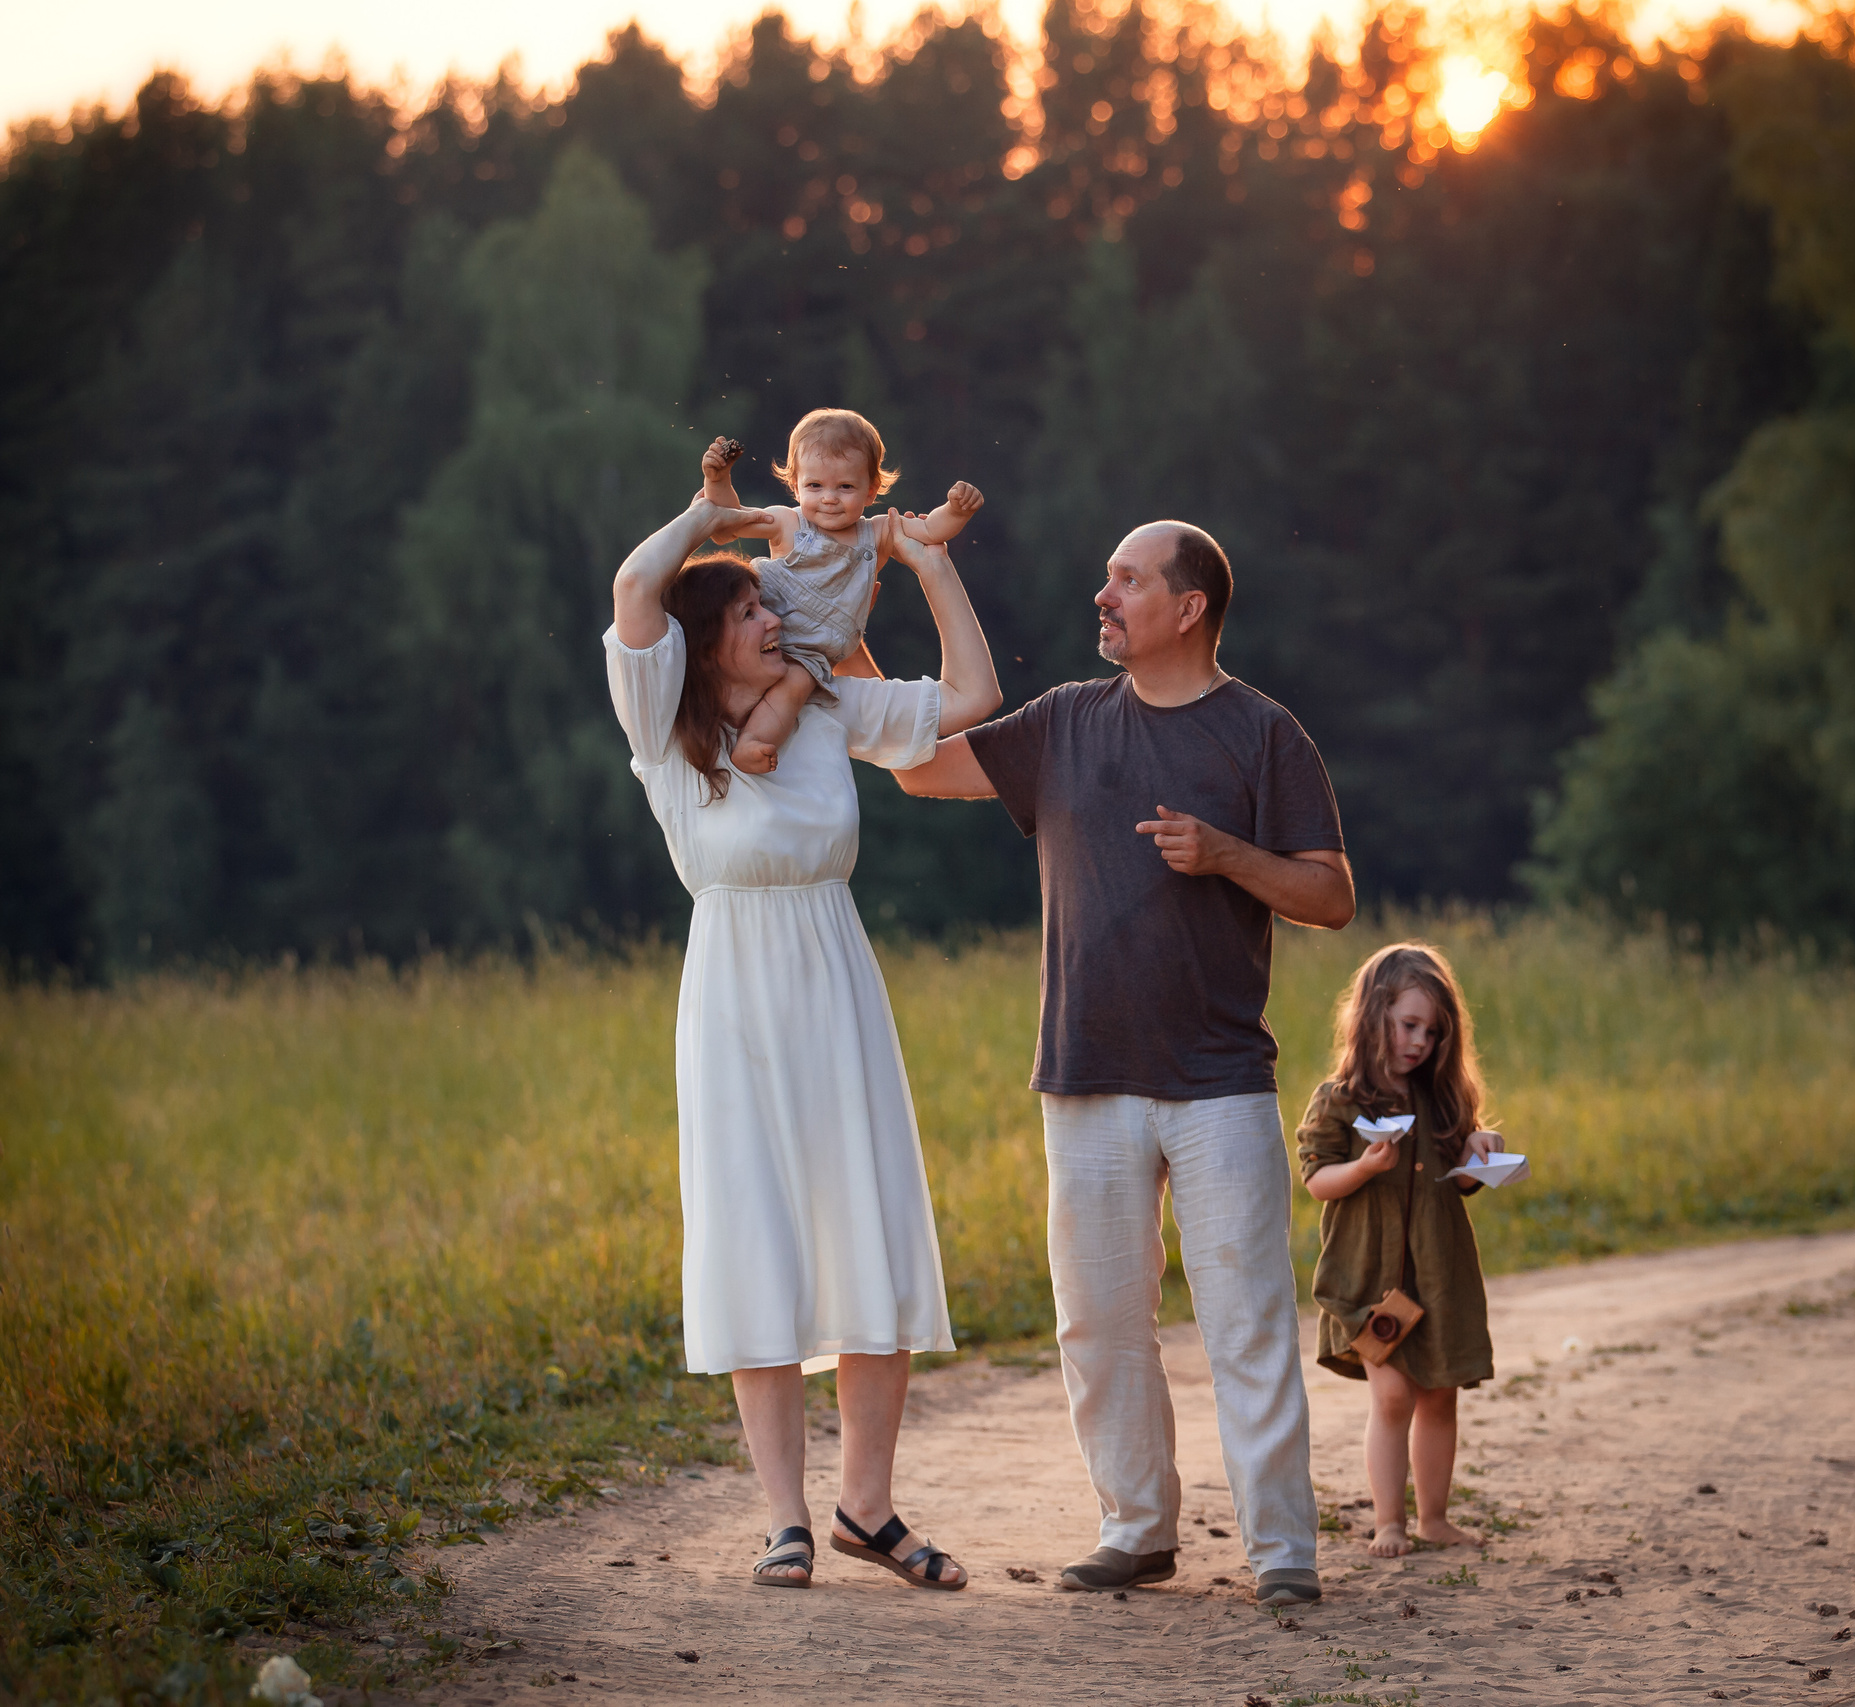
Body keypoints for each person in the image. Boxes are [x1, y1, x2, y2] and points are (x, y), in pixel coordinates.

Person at [894, 520, 1354, 1607]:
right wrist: (870, 603)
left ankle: (1282, 1550)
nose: (1102, 595)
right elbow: (915, 768)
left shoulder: (1264, 734)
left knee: (1246, 1321)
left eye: (1128, 580)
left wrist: (1228, 855)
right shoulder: (1062, 720)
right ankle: (1137, 1528)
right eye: (1106, 577)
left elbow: (1331, 895)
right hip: (1084, 1069)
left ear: (1188, 609)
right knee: (1099, 1321)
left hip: (1219, 1079)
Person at [604, 493, 1000, 1591]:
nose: (775, 618)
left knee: (866, 1222)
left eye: (770, 607)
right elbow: (635, 586)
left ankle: (867, 1509)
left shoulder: (825, 706)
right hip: (732, 993)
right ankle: (784, 1519)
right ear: (703, 641)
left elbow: (973, 698)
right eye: (749, 612)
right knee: (756, 1239)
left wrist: (924, 562)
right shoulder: (665, 734)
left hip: (835, 976)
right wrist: (709, 518)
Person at [1298, 943, 1502, 1557]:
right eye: (1410, 1025)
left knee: (1439, 1392)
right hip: (1369, 1278)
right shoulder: (1340, 1099)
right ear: (1374, 1015)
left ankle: (1434, 1518)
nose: (1420, 1042)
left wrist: (1478, 1152)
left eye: (1433, 1032)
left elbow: (1458, 1182)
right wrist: (1363, 1167)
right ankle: (1389, 1520)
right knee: (1391, 1396)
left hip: (1437, 1275)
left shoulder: (1441, 1099)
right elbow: (1316, 1180)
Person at [698, 410, 985, 775]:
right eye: (815, 486)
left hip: (809, 652)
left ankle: (752, 742)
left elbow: (930, 532)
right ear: (795, 486)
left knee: (795, 686)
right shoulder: (787, 522)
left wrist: (956, 511)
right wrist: (718, 479)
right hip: (761, 627)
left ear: (871, 489)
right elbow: (727, 524)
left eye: (845, 487)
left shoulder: (878, 532)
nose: (829, 498)